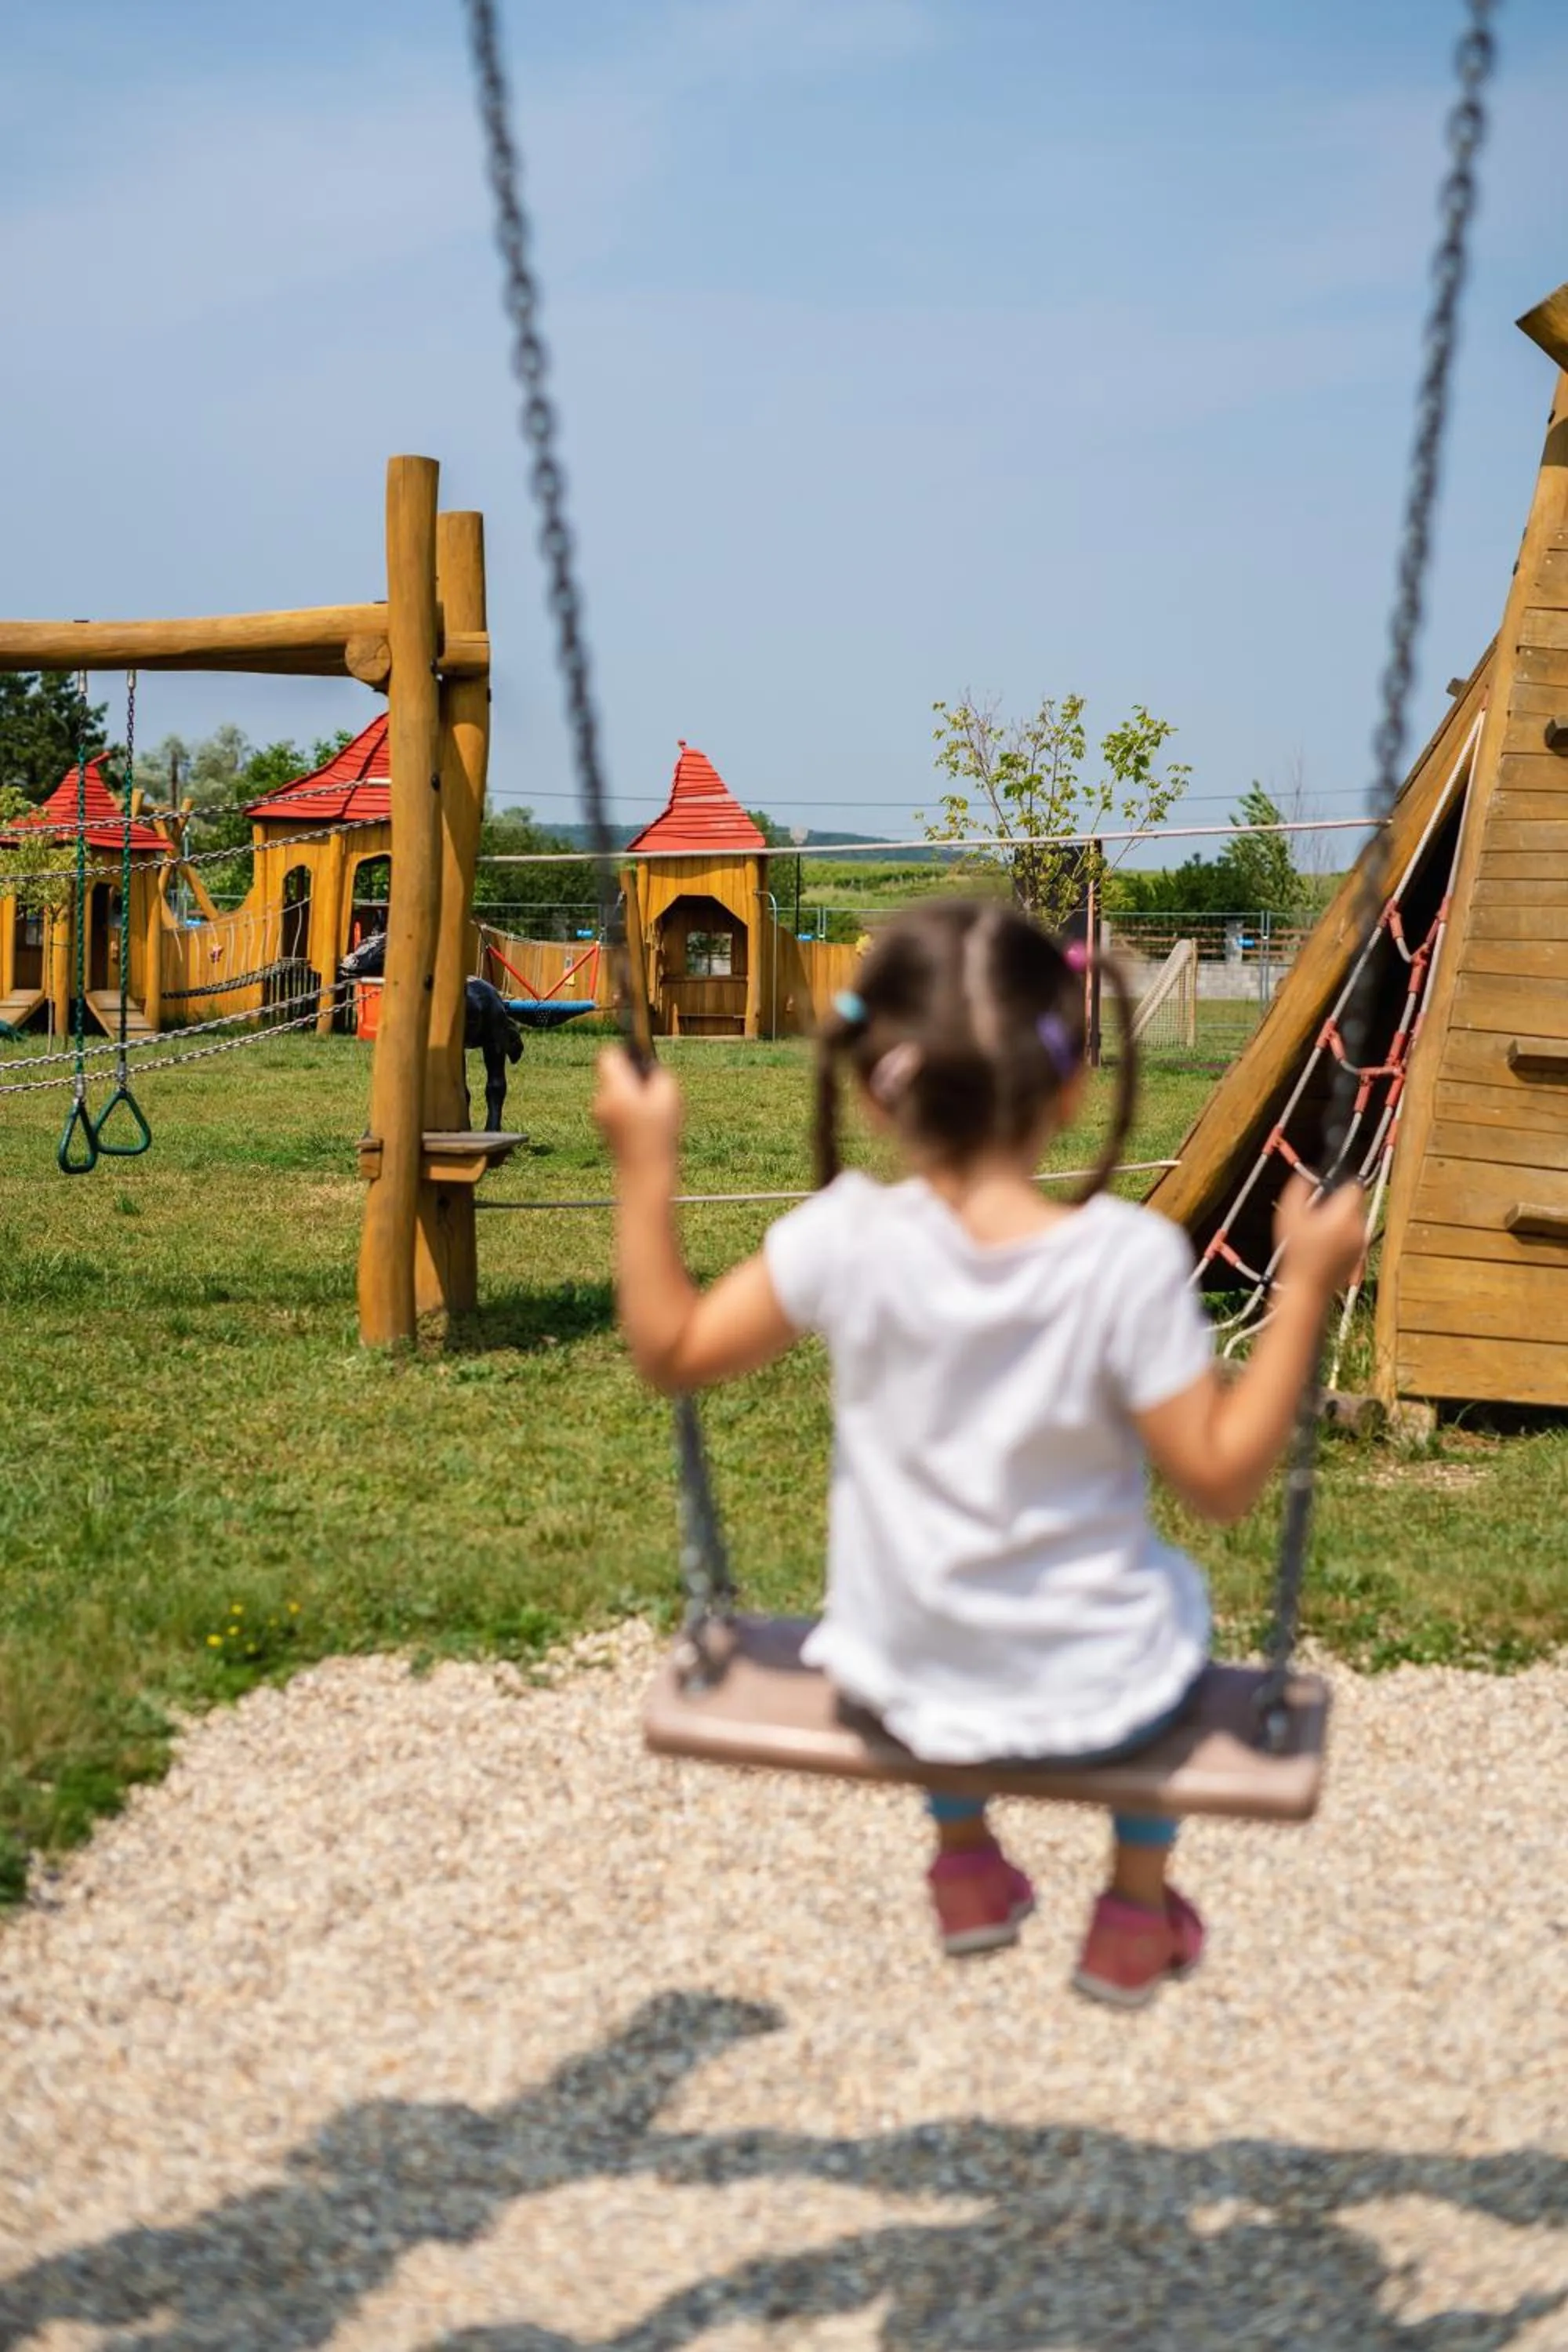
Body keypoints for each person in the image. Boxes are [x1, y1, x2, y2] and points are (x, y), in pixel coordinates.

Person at [594, 899, 1367, 2008]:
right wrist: (1302, 1288)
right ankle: (1136, 1911)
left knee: (941, 1594)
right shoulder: (1128, 1262)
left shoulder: (844, 1237)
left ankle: (965, 1862)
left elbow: (671, 1350)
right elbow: (1223, 1479)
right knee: (1162, 1607)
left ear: (875, 1088)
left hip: (899, 1684)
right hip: (1103, 1689)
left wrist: (646, 1165)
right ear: (1069, 1085)